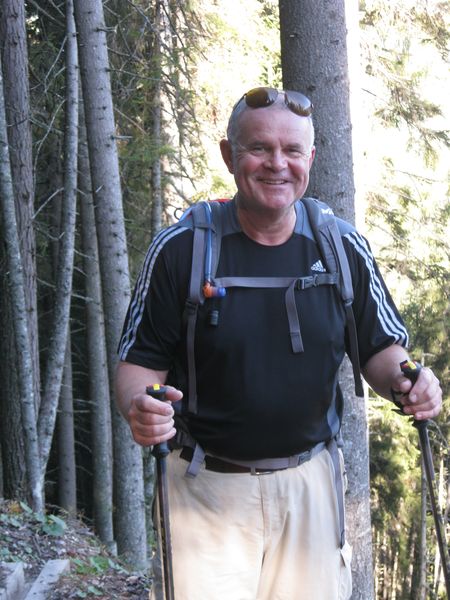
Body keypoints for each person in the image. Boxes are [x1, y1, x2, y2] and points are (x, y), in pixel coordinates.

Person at [115, 86, 442, 600]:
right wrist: (141, 406)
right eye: (259, 148)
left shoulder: (341, 247)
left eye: (292, 150)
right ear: (229, 155)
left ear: (310, 159)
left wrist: (413, 384)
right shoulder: (182, 250)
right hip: (204, 491)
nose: (277, 164)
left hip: (310, 487)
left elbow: (381, 350)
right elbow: (139, 363)